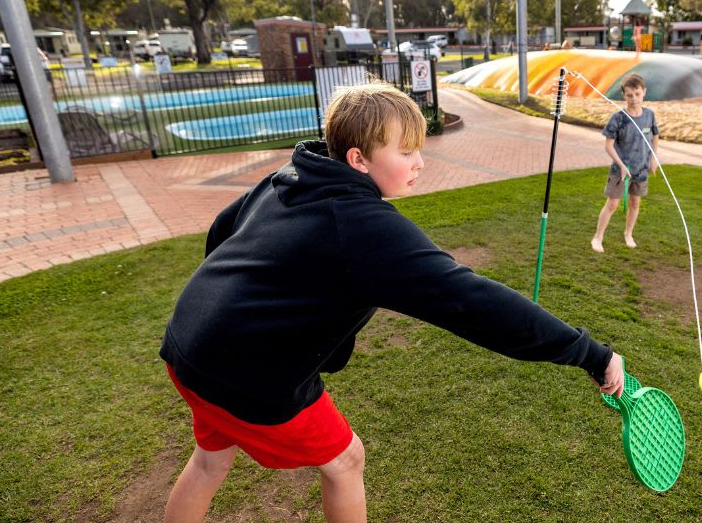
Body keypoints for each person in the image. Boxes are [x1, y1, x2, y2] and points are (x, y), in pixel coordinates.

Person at [160, 83, 624, 523]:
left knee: (209, 462)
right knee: (345, 460)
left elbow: (223, 229)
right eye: (405, 152)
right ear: (358, 159)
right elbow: (472, 301)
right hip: (245, 374)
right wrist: (591, 354)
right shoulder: (364, 226)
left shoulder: (294, 173)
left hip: (188, 344)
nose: (419, 162)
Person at [591, 74, 659, 253]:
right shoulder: (618, 118)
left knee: (635, 203)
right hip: (621, 169)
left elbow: (655, 136)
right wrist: (621, 165)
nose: (634, 98)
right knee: (612, 204)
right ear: (624, 95)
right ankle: (597, 238)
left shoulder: (649, 115)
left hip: (641, 169)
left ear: (644, 92)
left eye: (637, 94)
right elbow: (608, 146)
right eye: (629, 95)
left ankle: (628, 234)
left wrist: (653, 158)